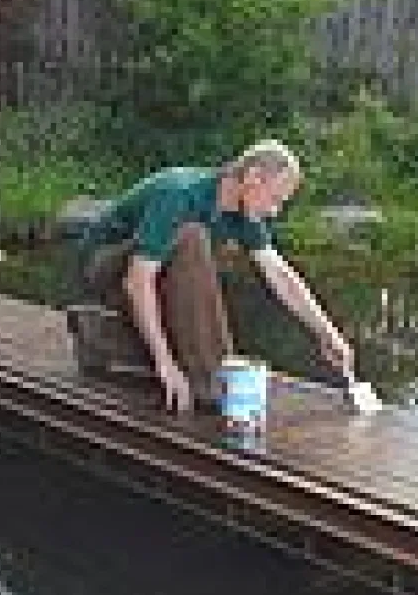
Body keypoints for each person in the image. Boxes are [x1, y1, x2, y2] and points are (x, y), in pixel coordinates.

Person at [70, 139, 369, 414]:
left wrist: (329, 335)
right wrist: (165, 363)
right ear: (252, 177)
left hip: (151, 272)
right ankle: (211, 380)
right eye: (275, 199)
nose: (275, 211)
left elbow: (280, 275)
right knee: (192, 237)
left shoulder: (245, 211)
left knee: (195, 253)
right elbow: (138, 280)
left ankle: (102, 334)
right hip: (104, 269)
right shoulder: (180, 193)